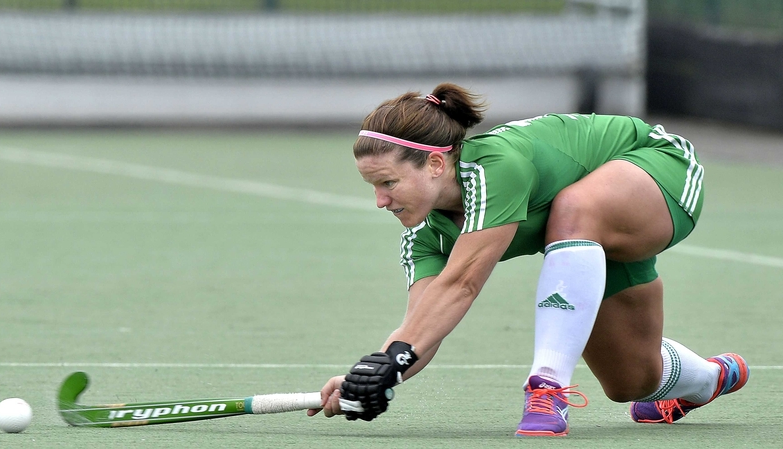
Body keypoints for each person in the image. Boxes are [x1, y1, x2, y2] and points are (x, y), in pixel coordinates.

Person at [305, 83, 749, 436]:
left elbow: (462, 284)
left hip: (657, 169)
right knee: (630, 382)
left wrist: (392, 360)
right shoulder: (423, 236)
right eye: (373, 187)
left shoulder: (495, 166)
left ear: (436, 165)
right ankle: (709, 378)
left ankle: (547, 386)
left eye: (388, 183)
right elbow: (423, 325)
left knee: (572, 210)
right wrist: (375, 373)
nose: (380, 201)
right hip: (588, 236)